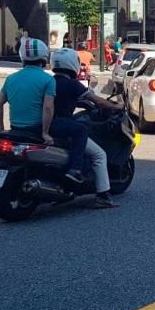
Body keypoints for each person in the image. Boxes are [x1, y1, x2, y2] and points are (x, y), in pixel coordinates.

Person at [0, 38, 87, 184]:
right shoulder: (47, 80)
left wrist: (0, 129)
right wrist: (45, 132)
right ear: (44, 58)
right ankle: (75, 169)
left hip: (16, 129)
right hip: (36, 129)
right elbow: (48, 107)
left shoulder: (11, 78)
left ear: (23, 57)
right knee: (80, 129)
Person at [50, 48, 124, 208]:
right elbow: (97, 100)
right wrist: (115, 106)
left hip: (44, 126)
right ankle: (103, 195)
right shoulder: (72, 84)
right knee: (99, 155)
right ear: (72, 64)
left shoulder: (49, 82)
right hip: (63, 126)